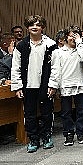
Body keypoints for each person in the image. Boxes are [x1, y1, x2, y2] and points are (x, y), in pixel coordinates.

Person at [10, 15, 58, 152]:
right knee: (29, 114)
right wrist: (17, 86)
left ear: (42, 27)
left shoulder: (51, 45)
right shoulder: (21, 46)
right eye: (31, 25)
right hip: (28, 85)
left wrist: (53, 85)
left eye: (37, 24)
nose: (34, 27)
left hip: (45, 85)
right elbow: (16, 67)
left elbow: (56, 67)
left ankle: (47, 136)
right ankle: (33, 139)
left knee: (47, 113)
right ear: (27, 28)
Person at [47, 26, 83, 146]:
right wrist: (53, 86)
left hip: (79, 84)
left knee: (82, 111)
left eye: (76, 35)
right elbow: (55, 70)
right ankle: (69, 133)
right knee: (66, 112)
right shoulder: (58, 52)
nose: (73, 38)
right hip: (65, 85)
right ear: (65, 37)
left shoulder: (81, 49)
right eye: (71, 35)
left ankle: (81, 133)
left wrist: (80, 44)